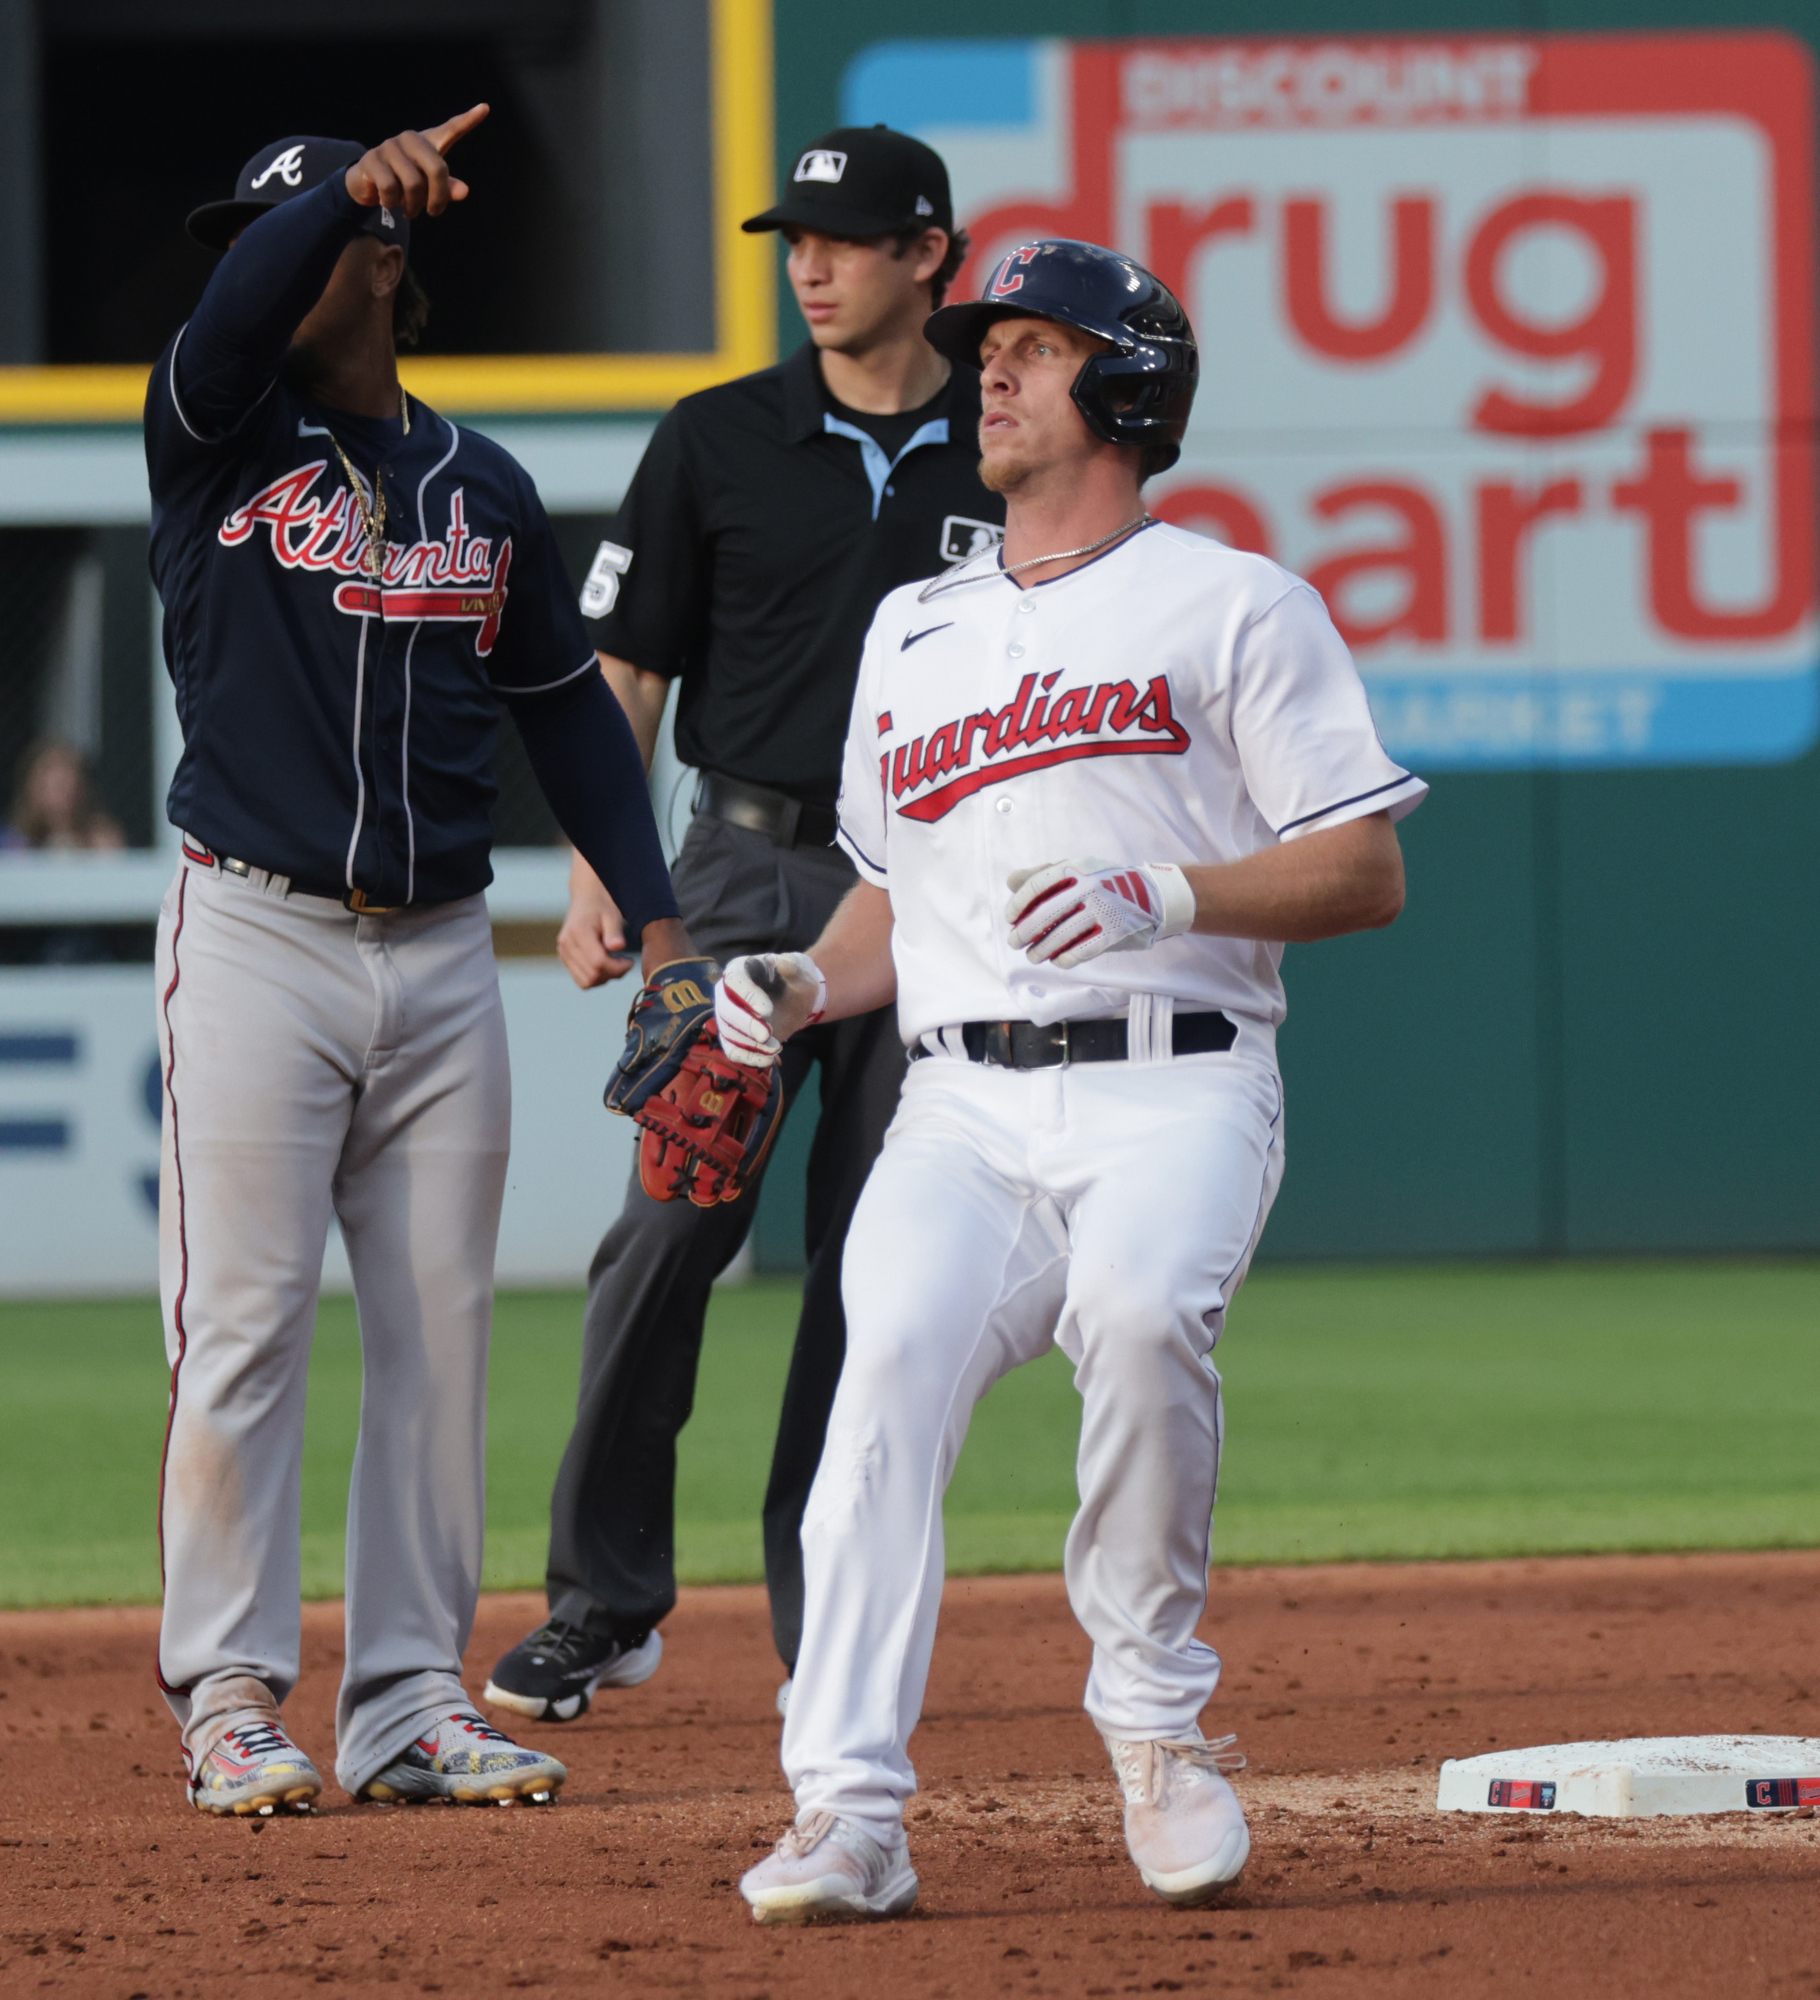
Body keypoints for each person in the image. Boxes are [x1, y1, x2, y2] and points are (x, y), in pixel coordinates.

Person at [720, 239, 1428, 1921]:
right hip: (957, 1104)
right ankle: (848, 1811)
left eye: (1033, 350)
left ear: (1128, 390)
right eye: (989, 352)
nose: (992, 375)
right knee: (876, 1372)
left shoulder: (1237, 602)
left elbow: (1365, 872)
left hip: (1175, 1082)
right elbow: (899, 896)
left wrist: (1168, 893)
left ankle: (1155, 1726)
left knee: (1136, 1317)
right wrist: (808, 980)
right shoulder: (919, 626)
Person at [147, 112, 693, 1817]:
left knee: (439, 1340)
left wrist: (661, 923)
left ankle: (403, 1702)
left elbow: (567, 724)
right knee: (241, 1329)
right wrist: (325, 195)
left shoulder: (491, 489)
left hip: (445, 954)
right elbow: (235, 309)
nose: (286, 254)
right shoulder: (218, 437)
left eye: (328, 230)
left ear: (392, 263)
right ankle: (232, 1695)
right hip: (253, 938)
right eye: (278, 232)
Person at [482, 125, 1005, 1723]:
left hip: (936, 890)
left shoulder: (1005, 444)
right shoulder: (717, 436)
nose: (812, 265)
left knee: (881, 1256)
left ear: (931, 254)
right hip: (744, 869)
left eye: (844, 239)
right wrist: (601, 874)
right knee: (670, 1219)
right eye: (796, 241)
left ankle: (825, 1617)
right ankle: (604, 1601)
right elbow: (623, 672)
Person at [2, 739, 125, 852]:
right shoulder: (13, 843)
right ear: (33, 788)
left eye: (69, 784)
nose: (65, 795)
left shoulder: (98, 837)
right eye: (57, 786)